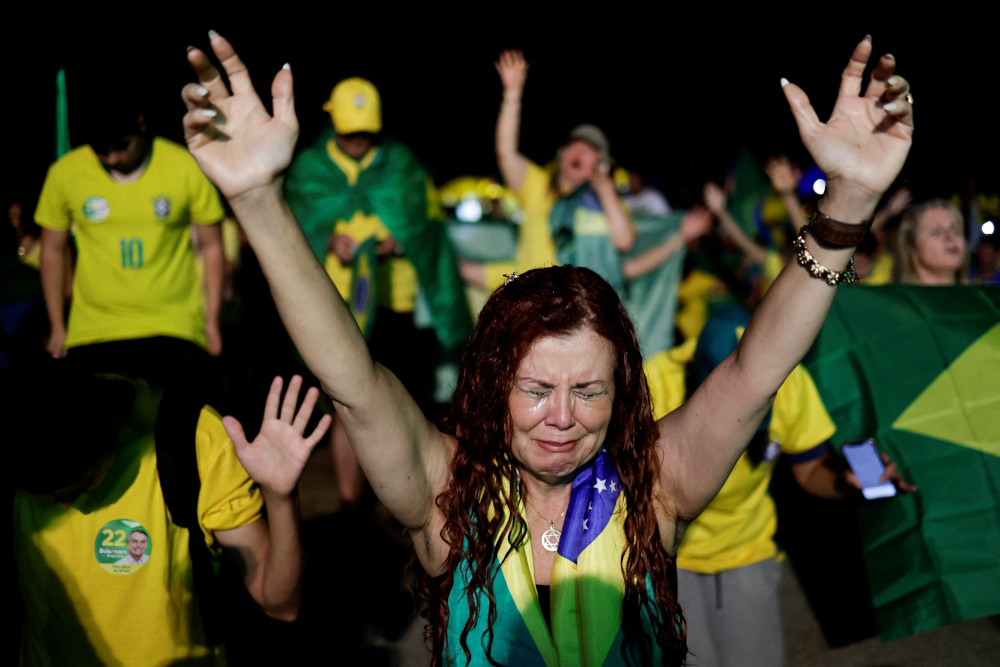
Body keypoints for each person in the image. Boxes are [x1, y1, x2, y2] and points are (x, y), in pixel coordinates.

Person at [182, 32, 912, 664]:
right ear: (493, 383)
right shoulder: (447, 499)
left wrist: (848, 201)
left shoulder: (655, 488)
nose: (562, 416)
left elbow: (757, 371)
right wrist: (256, 202)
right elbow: (356, 380)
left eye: (589, 389)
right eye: (535, 387)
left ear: (621, 390)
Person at [645, 307, 914, 666]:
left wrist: (848, 485)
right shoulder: (653, 381)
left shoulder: (786, 377)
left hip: (748, 547)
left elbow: (810, 470)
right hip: (665, 551)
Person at [10, 369, 330, 665]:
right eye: (44, 497)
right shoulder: (26, 419)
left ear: (110, 429)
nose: (63, 505)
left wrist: (279, 497)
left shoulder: (189, 438)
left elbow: (280, 602)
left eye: (75, 488)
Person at [35, 106, 225, 379]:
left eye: (121, 146)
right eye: (101, 150)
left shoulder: (182, 165)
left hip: (174, 327)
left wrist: (212, 322)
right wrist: (57, 325)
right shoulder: (65, 172)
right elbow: (53, 250)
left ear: (141, 125)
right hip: (94, 331)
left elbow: (212, 247)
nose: (112, 158)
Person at [460, 50, 636, 296]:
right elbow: (506, 152)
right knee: (462, 270)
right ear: (561, 156)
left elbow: (624, 241)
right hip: (524, 281)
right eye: (573, 145)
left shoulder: (604, 203)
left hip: (575, 299)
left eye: (588, 150)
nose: (578, 150)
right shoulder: (538, 184)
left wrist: (606, 191)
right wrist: (512, 94)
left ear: (600, 164)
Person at [891, 199, 969, 285]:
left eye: (956, 230)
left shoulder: (980, 296)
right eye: (936, 232)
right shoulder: (893, 298)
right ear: (913, 248)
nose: (950, 237)